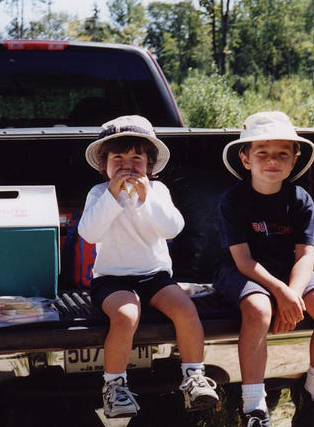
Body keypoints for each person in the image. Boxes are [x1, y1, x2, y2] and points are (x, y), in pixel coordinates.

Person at [79, 115, 219, 418]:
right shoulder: (99, 194)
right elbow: (89, 233)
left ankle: (194, 376)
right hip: (112, 280)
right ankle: (114, 387)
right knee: (127, 315)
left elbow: (173, 228)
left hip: (154, 276)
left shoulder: (157, 192)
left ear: (150, 166)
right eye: (118, 157)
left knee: (185, 309)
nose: (128, 164)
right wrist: (114, 197)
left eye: (136, 158)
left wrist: (146, 199)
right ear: (104, 164)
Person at [214, 111, 314, 427]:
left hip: (289, 271)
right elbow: (243, 260)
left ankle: (312, 396)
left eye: (282, 154)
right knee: (259, 310)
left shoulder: (301, 200)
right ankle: (254, 408)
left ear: (294, 160)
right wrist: (280, 292)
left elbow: (305, 255)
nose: (272, 161)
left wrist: (293, 296)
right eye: (262, 153)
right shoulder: (232, 200)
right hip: (239, 270)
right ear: (245, 158)